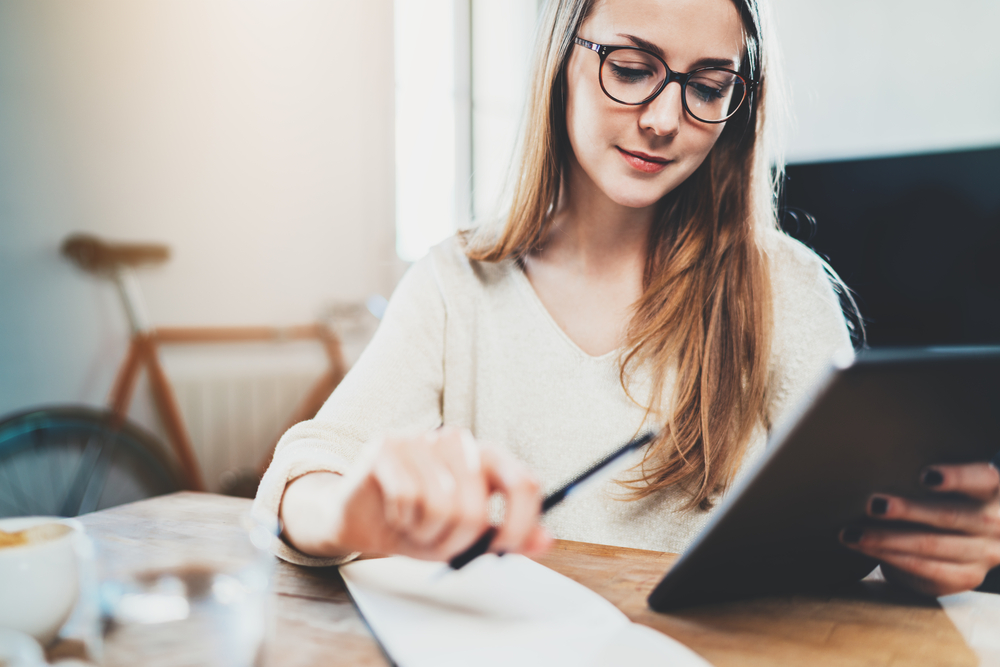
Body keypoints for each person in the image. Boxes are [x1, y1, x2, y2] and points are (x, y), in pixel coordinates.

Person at [253, 0, 1000, 597]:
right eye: (634, 67)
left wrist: (922, 554)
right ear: (561, 55)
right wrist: (349, 508)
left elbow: (858, 536)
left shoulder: (783, 287)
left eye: (709, 86)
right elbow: (304, 478)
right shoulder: (457, 284)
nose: (665, 120)